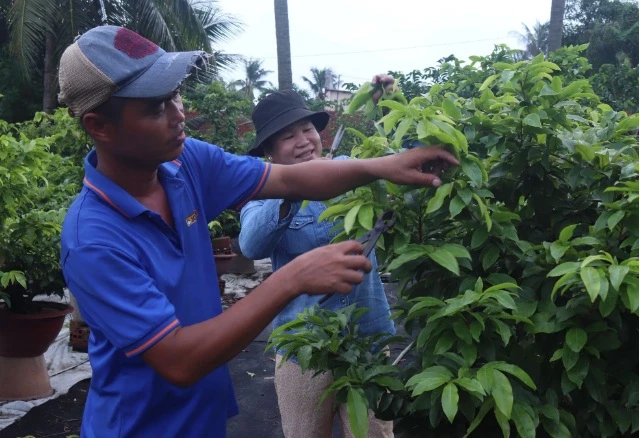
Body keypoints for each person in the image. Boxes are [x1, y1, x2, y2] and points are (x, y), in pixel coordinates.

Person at [57, 25, 458, 437]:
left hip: (204, 420)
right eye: (156, 108)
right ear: (100, 126)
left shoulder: (185, 163)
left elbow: (290, 180)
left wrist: (383, 166)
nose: (179, 114)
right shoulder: (94, 240)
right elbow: (178, 360)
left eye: (174, 95)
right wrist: (292, 279)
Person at [239, 87, 397, 438]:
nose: (304, 141)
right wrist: (294, 187)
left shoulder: (346, 173)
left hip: (367, 339)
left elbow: (396, 164)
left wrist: (390, 106)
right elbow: (251, 244)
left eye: (308, 130)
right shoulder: (260, 193)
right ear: (269, 152)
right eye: (288, 136)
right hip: (305, 349)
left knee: (374, 434)